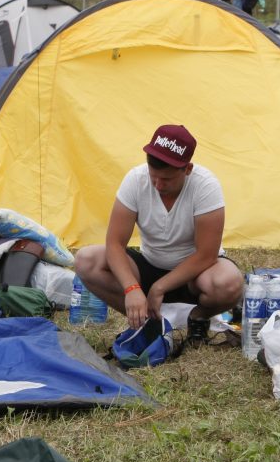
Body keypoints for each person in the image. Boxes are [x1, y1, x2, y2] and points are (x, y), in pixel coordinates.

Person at [74, 124, 244, 342]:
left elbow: (206, 255)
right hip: (149, 263)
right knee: (86, 260)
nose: (158, 184)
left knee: (229, 282)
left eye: (167, 179)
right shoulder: (136, 180)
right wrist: (132, 288)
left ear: (187, 169)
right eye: (154, 176)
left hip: (196, 273)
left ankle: (198, 317)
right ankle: (147, 322)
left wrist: (159, 287)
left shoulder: (206, 186)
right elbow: (114, 243)